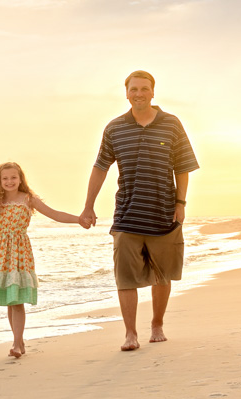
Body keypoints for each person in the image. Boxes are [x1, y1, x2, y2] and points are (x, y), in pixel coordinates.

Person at [80, 71, 199, 351]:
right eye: (134, 89)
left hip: (163, 213)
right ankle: (130, 333)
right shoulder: (114, 128)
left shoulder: (171, 124)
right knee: (125, 277)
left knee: (163, 275)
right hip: (126, 215)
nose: (139, 93)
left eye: (144, 89)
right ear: (126, 93)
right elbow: (100, 167)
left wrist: (180, 205)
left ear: (153, 92)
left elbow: (182, 167)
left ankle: (157, 324)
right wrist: (88, 206)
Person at [0, 162, 83, 358]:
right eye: (5, 178)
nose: (9, 181)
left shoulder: (28, 199)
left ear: (20, 179)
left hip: (20, 253)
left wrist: (79, 219)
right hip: (1, 253)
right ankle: (18, 341)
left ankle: (16, 343)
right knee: (10, 301)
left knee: (17, 300)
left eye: (13, 177)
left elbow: (54, 214)